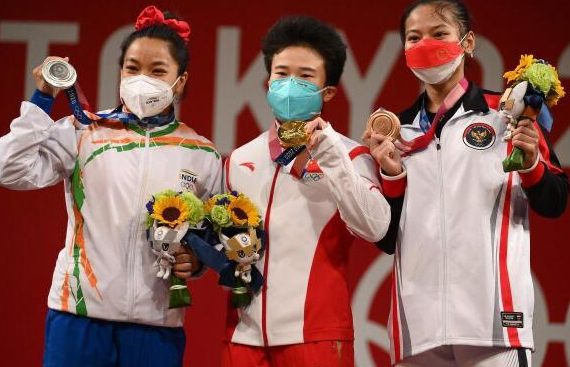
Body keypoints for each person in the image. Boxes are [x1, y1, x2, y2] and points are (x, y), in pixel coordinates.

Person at [0, 6, 221, 367]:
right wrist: (41, 99)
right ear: (120, 71)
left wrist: (194, 262)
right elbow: (8, 168)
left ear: (179, 81)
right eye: (133, 68)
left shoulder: (202, 154)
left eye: (157, 70)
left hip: (156, 326)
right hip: (78, 317)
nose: (141, 78)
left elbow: (209, 236)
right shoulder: (84, 131)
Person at [362, 1, 569, 366]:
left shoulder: (507, 114)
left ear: (468, 42)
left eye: (439, 33)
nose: (426, 44)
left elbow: (555, 201)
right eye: (415, 37)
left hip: (494, 324)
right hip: (419, 330)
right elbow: (388, 239)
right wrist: (392, 176)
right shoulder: (398, 133)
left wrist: (533, 163)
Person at [220, 15, 391, 367]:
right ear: (268, 81)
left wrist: (329, 153)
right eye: (282, 74)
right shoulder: (239, 159)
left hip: (316, 336)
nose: (290, 84)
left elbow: (375, 227)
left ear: (326, 91)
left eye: (305, 76)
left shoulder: (352, 156)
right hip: (242, 336)